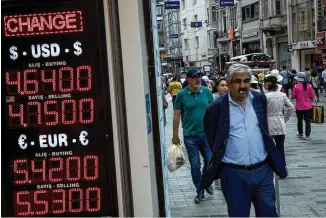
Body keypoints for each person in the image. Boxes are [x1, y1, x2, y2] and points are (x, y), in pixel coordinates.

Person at [200, 63, 287, 217]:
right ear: (228, 83)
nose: (242, 86)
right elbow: (213, 140)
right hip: (234, 174)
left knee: (269, 212)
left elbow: (264, 130)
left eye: (246, 81)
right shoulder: (216, 108)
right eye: (237, 81)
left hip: (263, 171)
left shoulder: (259, 99)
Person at [172, 68, 214, 204]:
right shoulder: (181, 95)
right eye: (195, 77)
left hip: (207, 134)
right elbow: (177, 115)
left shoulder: (207, 92)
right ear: (188, 79)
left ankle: (206, 182)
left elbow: (213, 112)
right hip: (190, 136)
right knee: (195, 165)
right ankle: (199, 190)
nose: (198, 79)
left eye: (199, 77)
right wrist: (175, 135)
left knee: (209, 162)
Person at [264, 75, 295, 166]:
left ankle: (271, 164)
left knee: (269, 145)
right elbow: (291, 108)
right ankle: (282, 164)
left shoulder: (265, 96)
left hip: (269, 123)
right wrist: (285, 118)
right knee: (280, 146)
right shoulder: (282, 95)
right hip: (280, 121)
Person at [292, 72, 316, 140]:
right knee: (307, 121)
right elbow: (312, 95)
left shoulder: (296, 86)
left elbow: (293, 96)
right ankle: (307, 135)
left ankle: (300, 133)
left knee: (299, 120)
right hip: (308, 106)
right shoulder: (309, 86)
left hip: (299, 107)